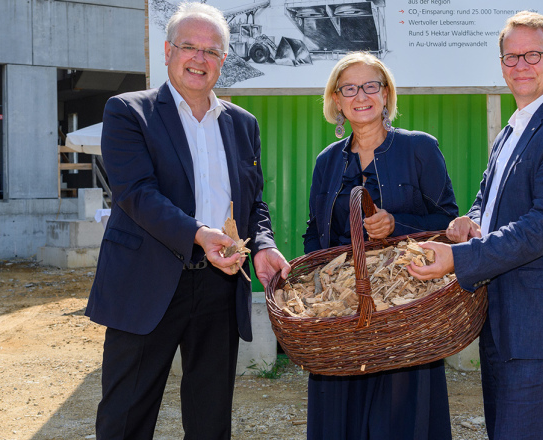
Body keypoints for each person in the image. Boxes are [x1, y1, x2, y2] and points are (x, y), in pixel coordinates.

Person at [84, 3, 291, 439]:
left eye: (212, 51)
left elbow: (253, 202)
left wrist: (266, 244)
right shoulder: (128, 112)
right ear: (167, 51)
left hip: (219, 286)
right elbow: (135, 193)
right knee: (126, 417)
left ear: (224, 60)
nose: (200, 59)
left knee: (210, 420)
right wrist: (199, 234)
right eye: (189, 47)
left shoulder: (242, 123)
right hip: (147, 283)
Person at [408, 11, 543, 440]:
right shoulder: (512, 130)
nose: (521, 66)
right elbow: (487, 200)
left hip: (538, 322)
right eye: (511, 57)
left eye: (533, 54)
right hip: (501, 316)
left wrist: (459, 258)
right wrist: (470, 222)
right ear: (501, 64)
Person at [302, 52, 459, 440]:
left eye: (371, 86)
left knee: (401, 415)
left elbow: (447, 223)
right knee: (341, 410)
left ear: (386, 95)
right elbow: (314, 232)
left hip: (403, 301)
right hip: (342, 306)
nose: (361, 96)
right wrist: (308, 284)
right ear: (336, 100)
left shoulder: (419, 148)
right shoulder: (326, 162)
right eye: (349, 88)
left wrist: (396, 226)